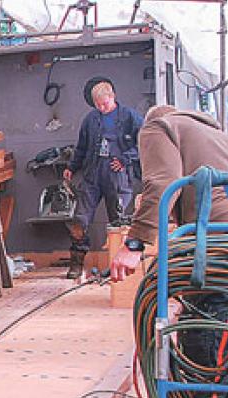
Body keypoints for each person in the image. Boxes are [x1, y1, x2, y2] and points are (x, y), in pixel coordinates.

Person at [110, 105, 228, 367]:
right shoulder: (217, 135)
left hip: (222, 233)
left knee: (210, 331)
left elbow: (163, 182)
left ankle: (210, 389)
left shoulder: (159, 126)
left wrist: (135, 243)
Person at [63, 80, 144, 279]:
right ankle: (76, 265)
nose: (101, 108)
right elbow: (82, 147)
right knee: (79, 220)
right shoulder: (90, 120)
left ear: (112, 96)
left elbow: (144, 141)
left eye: (104, 104)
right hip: (93, 173)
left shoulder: (130, 117)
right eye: (97, 105)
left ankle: (120, 269)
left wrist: (125, 159)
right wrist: (72, 167)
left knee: (119, 221)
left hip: (118, 176)